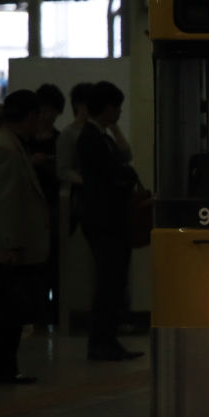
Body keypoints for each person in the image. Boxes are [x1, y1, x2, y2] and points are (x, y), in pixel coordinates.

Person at [0, 90, 49, 383]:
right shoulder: (5, 149)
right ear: (30, 116)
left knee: (10, 312)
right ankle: (1, 368)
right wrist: (13, 244)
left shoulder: (9, 144)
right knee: (8, 312)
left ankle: (3, 366)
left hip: (8, 247)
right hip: (6, 250)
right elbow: (5, 201)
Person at [77, 81, 142, 361]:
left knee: (112, 282)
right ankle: (102, 340)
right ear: (107, 107)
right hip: (106, 220)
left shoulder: (97, 135)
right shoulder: (91, 138)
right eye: (117, 107)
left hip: (106, 219)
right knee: (109, 282)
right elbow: (112, 173)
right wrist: (126, 176)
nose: (119, 112)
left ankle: (106, 339)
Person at [30, 84, 65, 326]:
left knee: (52, 263)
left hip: (52, 208)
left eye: (52, 111)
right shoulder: (25, 141)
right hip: (31, 208)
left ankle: (49, 313)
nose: (47, 115)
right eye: (43, 110)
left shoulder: (59, 140)